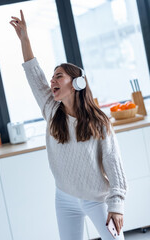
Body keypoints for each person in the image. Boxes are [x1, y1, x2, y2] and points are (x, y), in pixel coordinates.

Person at [10, 10, 129, 240]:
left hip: (97, 199)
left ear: (77, 83)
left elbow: (114, 164)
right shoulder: (52, 111)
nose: (52, 80)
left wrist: (116, 205)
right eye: (53, 76)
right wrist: (24, 39)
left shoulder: (99, 122)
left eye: (59, 76)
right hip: (64, 198)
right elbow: (34, 75)